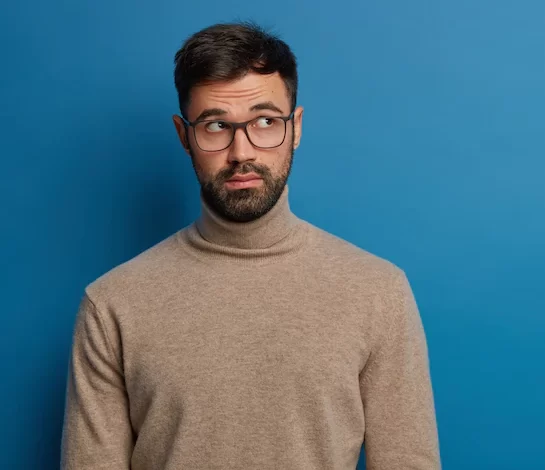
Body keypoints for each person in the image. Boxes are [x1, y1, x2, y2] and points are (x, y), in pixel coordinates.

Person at [60, 20, 440, 470]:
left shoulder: (378, 292)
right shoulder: (112, 304)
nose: (242, 151)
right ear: (185, 137)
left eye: (264, 121)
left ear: (295, 128)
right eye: (216, 124)